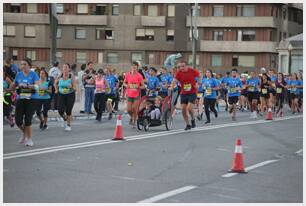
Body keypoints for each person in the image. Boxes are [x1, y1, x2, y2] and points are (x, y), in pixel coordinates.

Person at [10, 58, 39, 146]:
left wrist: (27, 85)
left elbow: (38, 86)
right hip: (20, 99)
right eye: (22, 64)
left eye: (25, 64)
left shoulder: (33, 74)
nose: (23, 66)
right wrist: (13, 86)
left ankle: (29, 139)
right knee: (18, 121)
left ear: (29, 65)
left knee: (27, 120)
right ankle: (25, 134)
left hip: (31, 99)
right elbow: (14, 86)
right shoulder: (18, 74)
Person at [171, 60, 201, 130]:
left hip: (192, 92)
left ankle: (193, 119)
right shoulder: (179, 73)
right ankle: (188, 124)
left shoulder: (192, 71)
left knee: (189, 108)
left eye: (183, 66)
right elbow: (174, 80)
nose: (181, 68)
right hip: (183, 93)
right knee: (183, 110)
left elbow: (199, 76)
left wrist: (198, 84)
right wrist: (172, 87)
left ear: (187, 66)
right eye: (180, 66)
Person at [55, 63, 77, 131]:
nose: (64, 69)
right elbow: (55, 83)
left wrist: (71, 87)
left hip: (70, 95)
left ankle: (68, 125)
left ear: (69, 69)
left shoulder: (71, 76)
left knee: (68, 110)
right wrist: (56, 89)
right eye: (63, 67)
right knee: (60, 110)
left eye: (66, 67)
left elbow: (75, 88)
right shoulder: (60, 75)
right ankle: (65, 118)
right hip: (61, 94)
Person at [123, 62, 145, 127]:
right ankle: (132, 117)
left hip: (136, 95)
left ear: (137, 68)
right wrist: (127, 86)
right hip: (129, 94)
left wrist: (138, 87)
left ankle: (134, 122)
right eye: (133, 66)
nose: (134, 68)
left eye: (135, 67)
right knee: (129, 110)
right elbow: (124, 83)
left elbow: (143, 86)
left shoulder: (139, 76)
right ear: (131, 67)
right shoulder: (127, 75)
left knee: (134, 109)